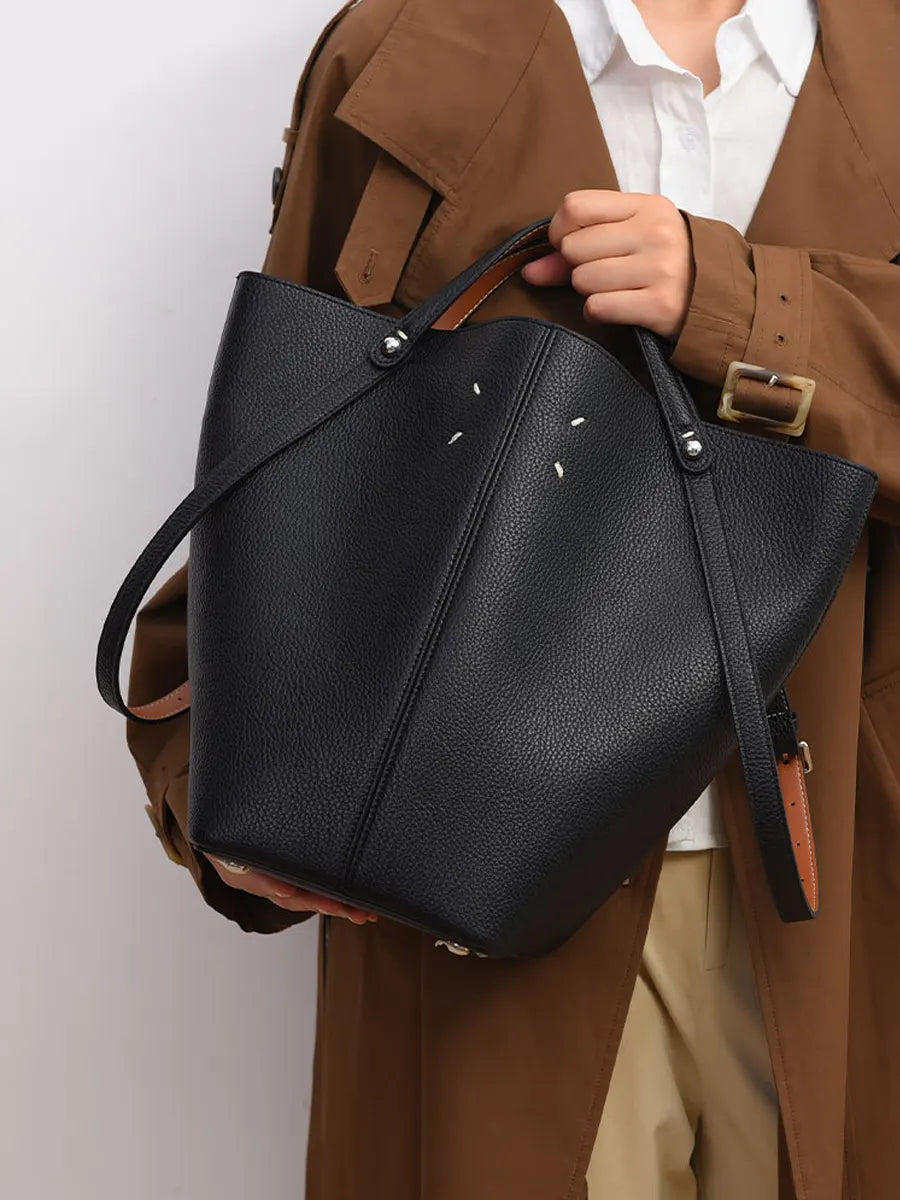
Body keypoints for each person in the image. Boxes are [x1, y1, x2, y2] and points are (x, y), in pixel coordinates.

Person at [124, 0, 900, 1196]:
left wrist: (742, 304)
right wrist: (221, 786)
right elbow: (287, 474)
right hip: (463, 879)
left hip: (841, 877)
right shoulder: (410, 48)